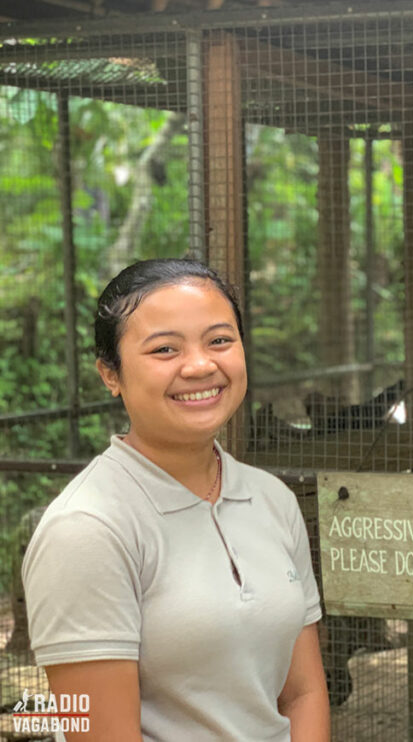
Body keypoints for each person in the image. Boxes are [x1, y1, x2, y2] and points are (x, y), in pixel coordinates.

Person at [22, 259, 329, 741]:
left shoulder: (273, 500)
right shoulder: (85, 528)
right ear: (110, 374)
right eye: (165, 348)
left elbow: (302, 693)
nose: (201, 365)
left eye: (220, 340)